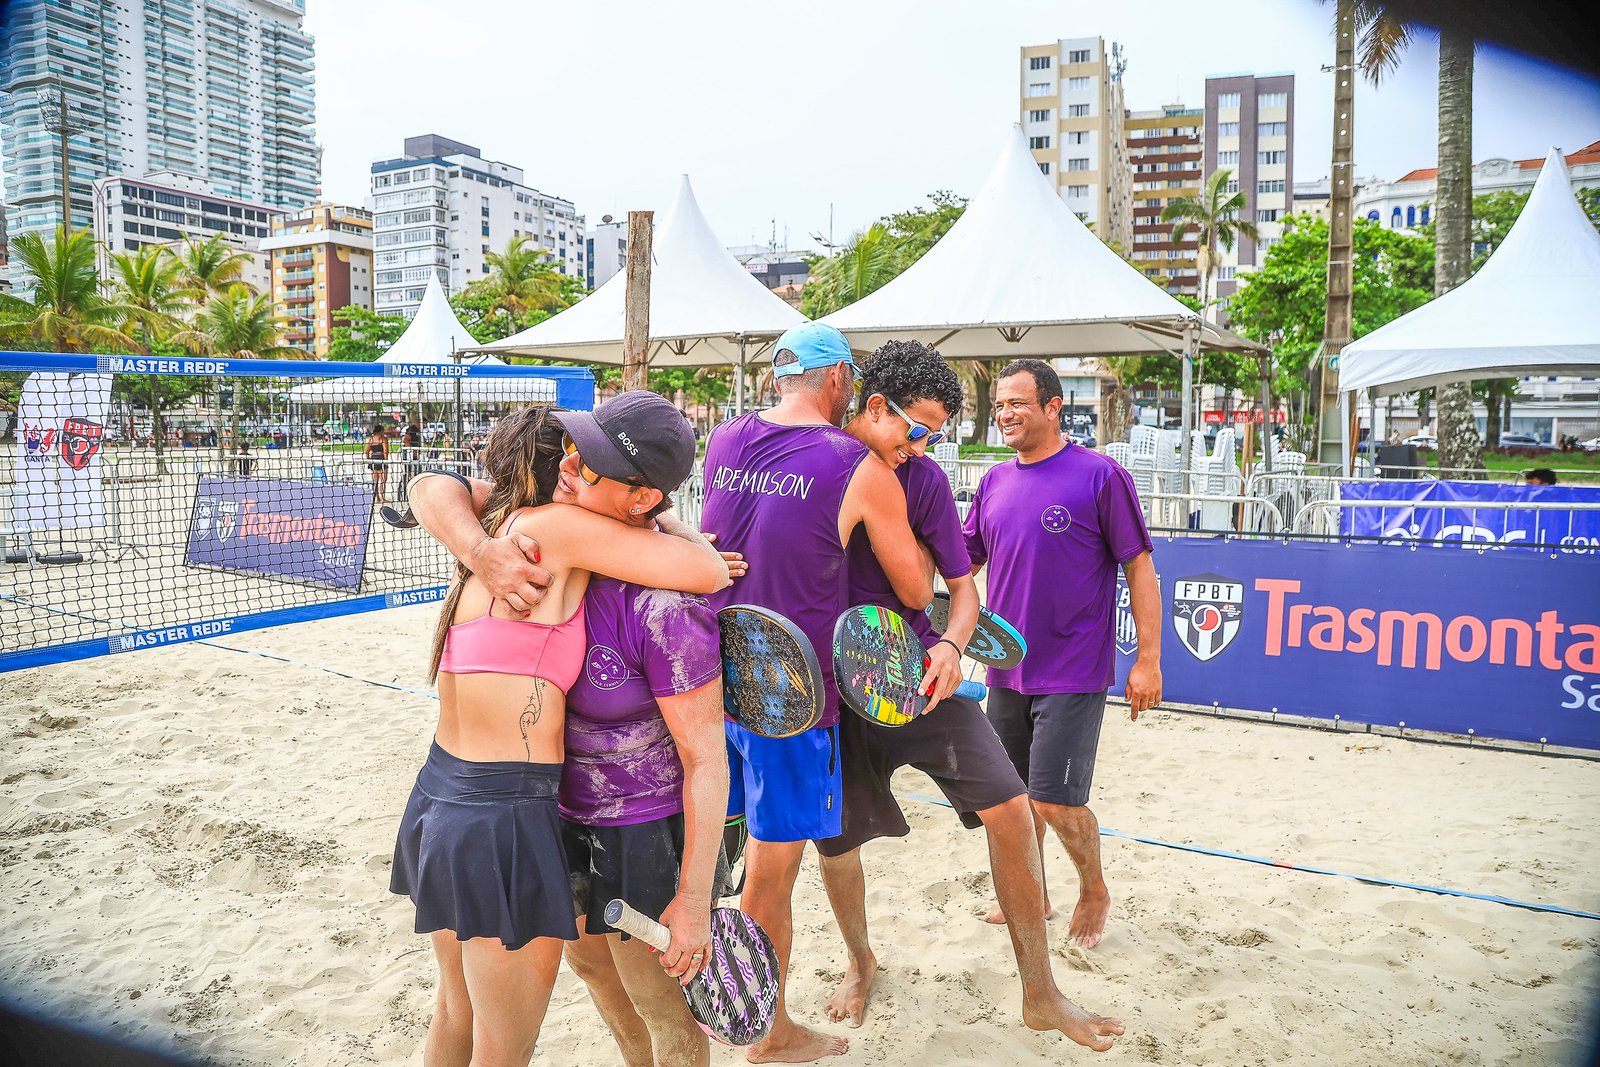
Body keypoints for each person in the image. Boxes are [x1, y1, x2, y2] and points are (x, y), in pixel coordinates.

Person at [390, 397, 730, 1067]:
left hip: (439, 797)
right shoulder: (558, 527)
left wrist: (477, 546)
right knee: (502, 1050)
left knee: (454, 1012)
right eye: (571, 454)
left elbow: (430, 484)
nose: (576, 464)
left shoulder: (504, 517)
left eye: (592, 460)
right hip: (502, 815)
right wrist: (665, 519)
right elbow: (710, 571)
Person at [811, 341, 1124, 1052]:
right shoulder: (817, 465)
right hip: (835, 685)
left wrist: (952, 645)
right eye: (918, 430)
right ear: (876, 406)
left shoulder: (919, 480)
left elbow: (961, 589)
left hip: (919, 669)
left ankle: (1040, 991)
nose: (923, 447)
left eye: (936, 436)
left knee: (1014, 807)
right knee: (838, 847)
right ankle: (862, 963)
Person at [698, 322, 933, 1063]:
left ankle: (723, 1000)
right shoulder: (854, 463)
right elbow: (915, 587)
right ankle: (766, 1030)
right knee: (771, 873)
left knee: (718, 859)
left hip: (712, 677)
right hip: (791, 695)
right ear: (838, 382)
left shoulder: (725, 441)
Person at [964, 359, 1162, 952]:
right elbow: (961, 564)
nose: (1005, 415)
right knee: (1011, 799)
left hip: (1073, 667)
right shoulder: (995, 481)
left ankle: (1094, 887)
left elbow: (1140, 567)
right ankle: (1034, 893)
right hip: (1006, 667)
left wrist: (1147, 660)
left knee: (1055, 800)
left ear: (1054, 407)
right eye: (999, 405)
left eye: (1017, 404)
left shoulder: (1099, 476)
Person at [366, 422, 390, 502]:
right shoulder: (383, 439)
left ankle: (377, 498)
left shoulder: (371, 439)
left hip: (373, 459)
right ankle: (382, 497)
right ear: (381, 431)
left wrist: (368, 460)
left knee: (375, 480)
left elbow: (366, 451)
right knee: (383, 479)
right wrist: (386, 461)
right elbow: (386, 451)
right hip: (381, 459)